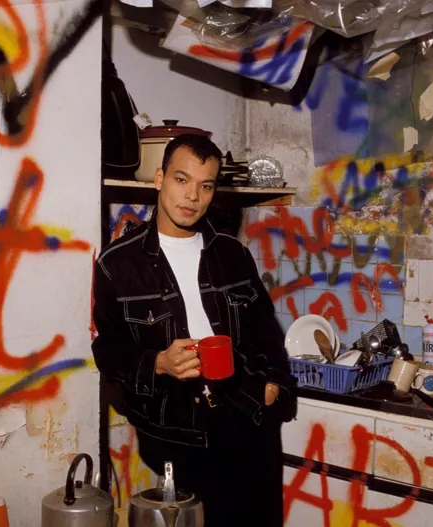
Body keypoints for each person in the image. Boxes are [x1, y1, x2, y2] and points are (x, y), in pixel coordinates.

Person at [92, 134, 295, 526]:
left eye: (205, 185)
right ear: (158, 179)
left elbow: (266, 334)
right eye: (181, 180)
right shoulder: (118, 264)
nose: (192, 197)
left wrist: (272, 386)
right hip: (177, 434)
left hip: (248, 422)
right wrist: (158, 364)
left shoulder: (233, 255)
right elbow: (109, 350)